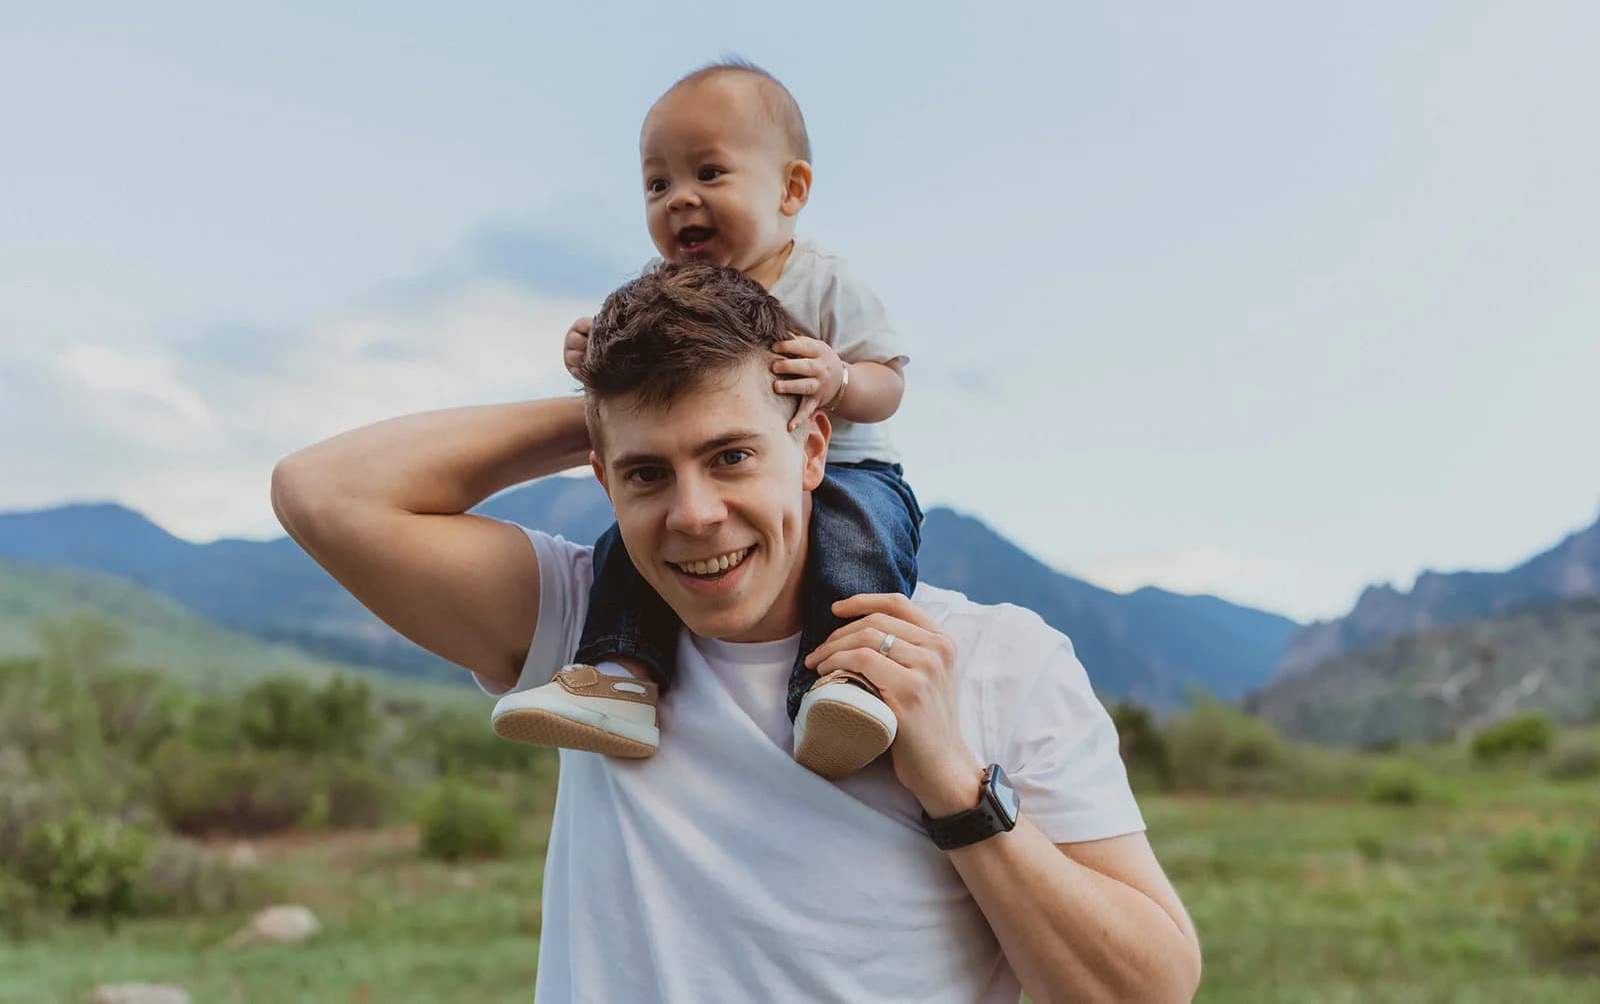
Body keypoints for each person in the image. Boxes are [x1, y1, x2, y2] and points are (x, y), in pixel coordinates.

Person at [270, 260, 1203, 1002]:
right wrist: (608, 403)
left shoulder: (1000, 656)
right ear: (604, 481)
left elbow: (1149, 988)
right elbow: (325, 493)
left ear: (811, 447)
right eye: (645, 473)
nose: (696, 513)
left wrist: (954, 785)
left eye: (730, 454)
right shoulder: (584, 631)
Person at [492, 59, 919, 780]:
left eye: (709, 174)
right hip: (749, 483)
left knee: (856, 539)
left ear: (792, 189)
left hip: (849, 467)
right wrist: (593, 357)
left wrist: (840, 378)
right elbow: (639, 385)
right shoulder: (670, 293)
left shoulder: (823, 281)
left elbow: (892, 382)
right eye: (658, 185)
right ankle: (621, 675)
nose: (680, 199)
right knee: (629, 545)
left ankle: (848, 681)